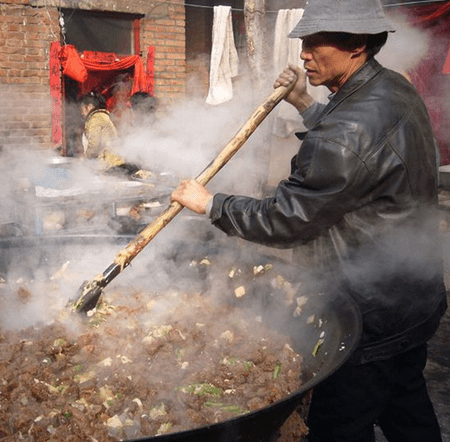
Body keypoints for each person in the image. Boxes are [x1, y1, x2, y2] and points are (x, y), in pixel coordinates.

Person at [171, 0, 447, 441]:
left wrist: (211, 204)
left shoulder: (349, 130)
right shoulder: (393, 88)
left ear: (356, 45)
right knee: (406, 407)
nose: (303, 53)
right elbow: (358, 149)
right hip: (414, 298)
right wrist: (303, 101)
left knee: (338, 426)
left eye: (315, 43)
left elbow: (287, 219)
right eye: (303, 42)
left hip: (369, 315)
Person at [79, 91, 126, 170]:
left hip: (109, 164)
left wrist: (85, 159)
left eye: (82, 109)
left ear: (89, 106)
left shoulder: (96, 118)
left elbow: (94, 144)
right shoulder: (102, 116)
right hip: (113, 162)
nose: (81, 113)